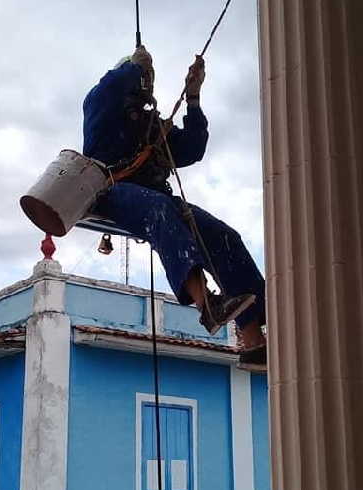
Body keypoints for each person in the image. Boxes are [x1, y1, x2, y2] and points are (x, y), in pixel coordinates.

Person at [83, 46, 267, 370]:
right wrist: (135, 66)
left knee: (223, 235)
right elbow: (107, 88)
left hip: (157, 198)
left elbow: (192, 149)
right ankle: (206, 303)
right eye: (142, 77)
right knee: (159, 210)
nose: (146, 83)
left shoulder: (152, 126)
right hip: (112, 191)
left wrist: (193, 98)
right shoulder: (103, 103)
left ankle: (253, 338)